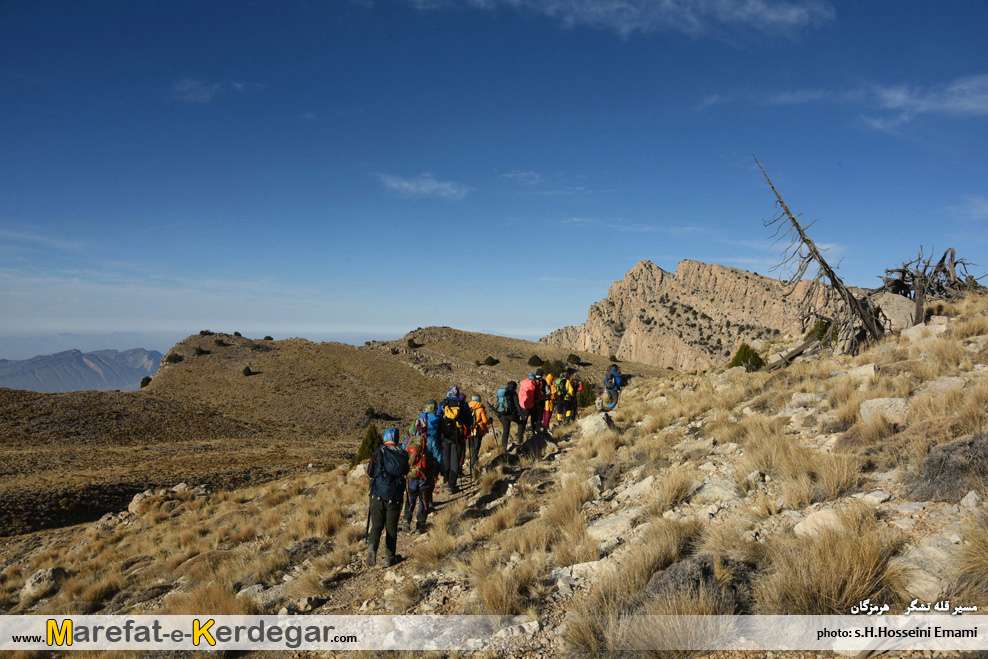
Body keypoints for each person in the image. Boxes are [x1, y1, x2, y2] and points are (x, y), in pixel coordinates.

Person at [365, 427, 408, 567]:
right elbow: (406, 471)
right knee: (391, 528)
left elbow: (370, 472)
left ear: (385, 437)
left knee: (376, 525)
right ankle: (389, 558)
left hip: (378, 494)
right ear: (396, 438)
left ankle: (372, 549)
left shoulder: (379, 452)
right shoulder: (403, 454)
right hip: (395, 497)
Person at [401, 407, 443, 534]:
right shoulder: (429, 439)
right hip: (425, 475)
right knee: (424, 500)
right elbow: (438, 455)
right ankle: (420, 525)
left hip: (411, 474)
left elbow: (403, 452)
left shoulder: (408, 440)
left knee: (410, 498)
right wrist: (440, 468)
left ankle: (406, 521)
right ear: (425, 427)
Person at [437, 386, 472, 494]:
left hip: (445, 436)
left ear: (449, 393)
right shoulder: (463, 405)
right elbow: (470, 420)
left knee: (445, 459)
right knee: (455, 461)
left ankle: (445, 480)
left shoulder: (443, 404)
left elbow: (438, 417)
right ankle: (452, 486)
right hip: (458, 437)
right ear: (458, 394)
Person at [496, 380, 524, 451]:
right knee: (520, 423)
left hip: (503, 414)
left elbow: (499, 403)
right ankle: (519, 440)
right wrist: (522, 414)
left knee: (505, 431)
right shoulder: (513, 394)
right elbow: (517, 405)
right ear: (514, 387)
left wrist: (499, 414)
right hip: (511, 414)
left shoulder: (503, 393)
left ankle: (503, 447)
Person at [467, 394, 490, 474]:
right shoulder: (480, 408)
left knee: (471, 447)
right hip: (478, 430)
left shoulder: (468, 408)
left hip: (470, 430)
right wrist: (489, 421)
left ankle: (472, 461)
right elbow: (484, 421)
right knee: (477, 447)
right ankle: (473, 463)